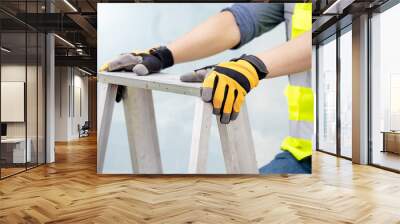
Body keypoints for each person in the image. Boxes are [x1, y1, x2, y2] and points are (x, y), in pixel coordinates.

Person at [100, 3, 313, 174]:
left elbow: (329, 33)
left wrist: (252, 67)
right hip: (300, 151)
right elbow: (240, 20)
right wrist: (162, 55)